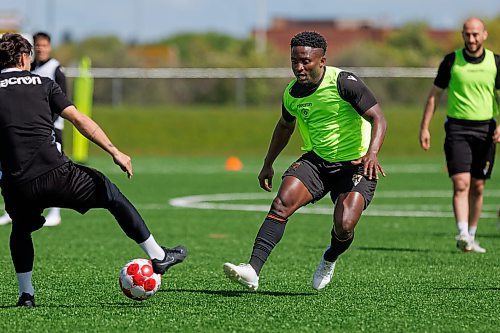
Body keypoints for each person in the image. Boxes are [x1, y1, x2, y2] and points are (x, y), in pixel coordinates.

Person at [0, 33, 187, 307]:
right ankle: (158, 256)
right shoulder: (43, 83)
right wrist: (114, 151)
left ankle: (26, 295)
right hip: (56, 174)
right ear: (23, 58)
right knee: (111, 194)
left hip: (18, 184)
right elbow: (78, 119)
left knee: (20, 229)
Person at [223, 31, 387, 291]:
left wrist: (372, 153)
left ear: (322, 61)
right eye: (294, 61)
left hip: (356, 164)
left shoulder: (344, 83)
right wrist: (268, 163)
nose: (299, 67)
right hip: (318, 162)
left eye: (306, 61)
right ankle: (252, 270)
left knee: (344, 224)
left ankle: (329, 258)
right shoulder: (292, 93)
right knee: (281, 204)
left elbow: (379, 118)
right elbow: (285, 127)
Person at [420, 17, 500, 254]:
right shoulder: (451, 61)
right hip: (457, 129)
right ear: (463, 35)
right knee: (461, 182)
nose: (472, 39)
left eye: (476, 34)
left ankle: (472, 236)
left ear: (484, 35)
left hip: (486, 130)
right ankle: (463, 233)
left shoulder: (495, 62)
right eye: (467, 34)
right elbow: (434, 95)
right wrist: (424, 127)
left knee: (478, 186)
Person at [0, 32, 66, 227]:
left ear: (50, 46)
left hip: (51, 128)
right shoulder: (29, 68)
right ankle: (11, 210)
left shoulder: (56, 69)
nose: (40, 49)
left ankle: (55, 211)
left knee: (55, 169)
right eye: (37, 45)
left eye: (44, 45)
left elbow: (62, 101)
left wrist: (46, 122)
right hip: (25, 128)